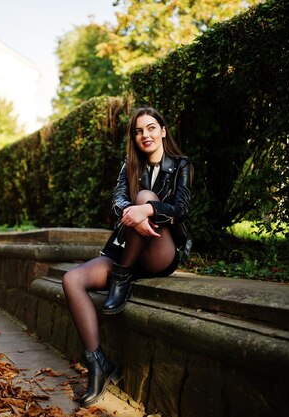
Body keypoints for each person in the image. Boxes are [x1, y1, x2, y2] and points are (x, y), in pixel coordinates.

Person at [62, 107, 193, 406]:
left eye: (150, 128)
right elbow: (117, 200)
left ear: (162, 130)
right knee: (72, 280)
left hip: (159, 252)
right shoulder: (129, 167)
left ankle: (121, 277)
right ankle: (98, 365)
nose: (144, 135)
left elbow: (182, 208)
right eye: (138, 131)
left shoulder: (181, 165)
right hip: (124, 251)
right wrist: (130, 213)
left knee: (144, 198)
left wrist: (146, 210)